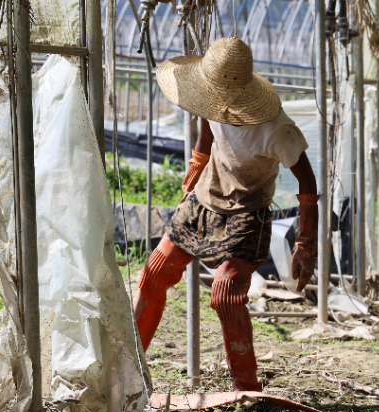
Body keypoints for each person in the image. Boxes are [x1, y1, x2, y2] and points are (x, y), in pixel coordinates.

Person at [132, 36, 318, 392]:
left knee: (227, 292)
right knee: (154, 273)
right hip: (204, 199)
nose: (210, 104)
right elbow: (206, 135)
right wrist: (194, 171)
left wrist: (305, 242)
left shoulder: (276, 129)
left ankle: (246, 389)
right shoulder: (210, 99)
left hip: (247, 209)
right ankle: (129, 371)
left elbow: (307, 183)